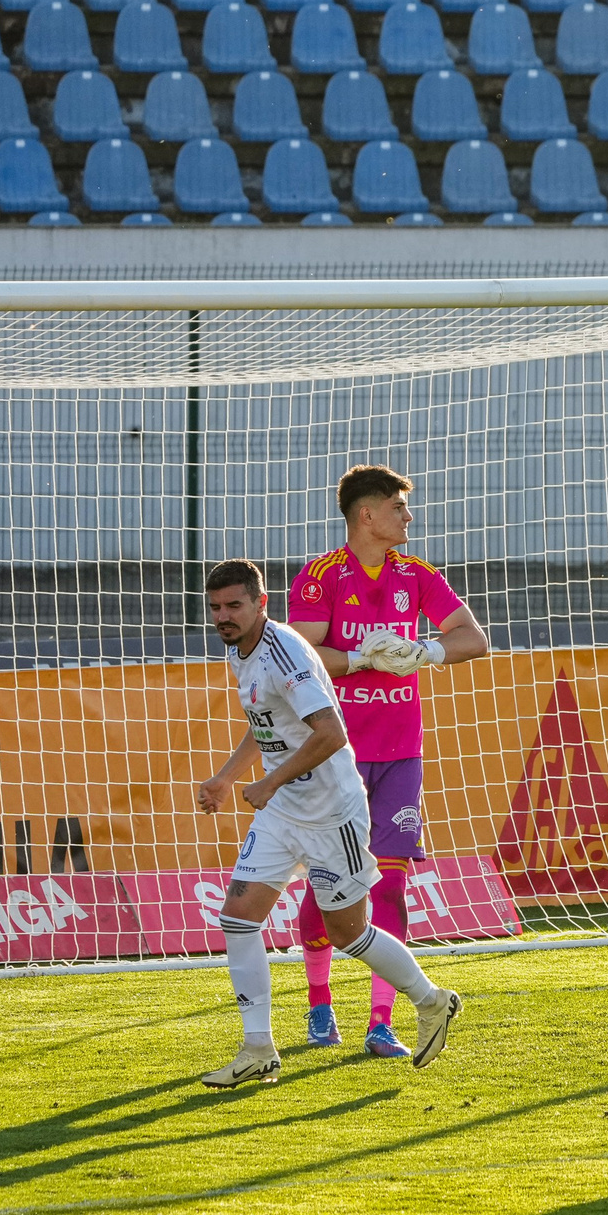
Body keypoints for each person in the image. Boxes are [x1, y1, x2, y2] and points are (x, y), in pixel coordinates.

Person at [193, 560, 463, 1090]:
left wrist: (268, 784)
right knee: (239, 917)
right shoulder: (237, 649)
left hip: (331, 812)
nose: (223, 617)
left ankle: (432, 1001)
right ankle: (258, 1049)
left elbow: (331, 731)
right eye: (215, 607)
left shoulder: (285, 650)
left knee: (347, 933)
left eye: (234, 606)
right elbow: (265, 723)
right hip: (283, 813)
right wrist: (228, 778)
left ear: (260, 603)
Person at [285, 466, 490, 1056]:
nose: (409, 517)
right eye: (399, 507)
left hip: (400, 754)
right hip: (335, 754)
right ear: (366, 515)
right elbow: (303, 658)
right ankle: (320, 1009)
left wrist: (422, 652)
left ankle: (382, 1022)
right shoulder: (321, 576)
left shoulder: (417, 575)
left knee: (392, 888)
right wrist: (363, 657)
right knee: (328, 886)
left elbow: (474, 639)